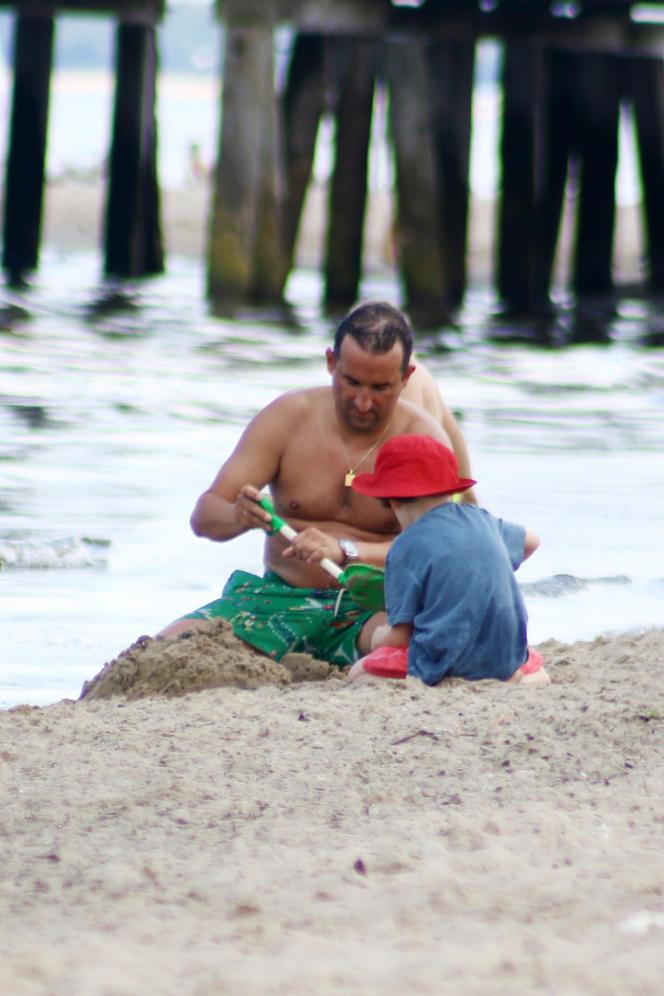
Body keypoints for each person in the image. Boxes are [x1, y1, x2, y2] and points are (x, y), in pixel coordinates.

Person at [158, 300, 475, 667]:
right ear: (331, 363)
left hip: (374, 609)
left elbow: (441, 548)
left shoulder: (423, 439)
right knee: (159, 652)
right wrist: (238, 516)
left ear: (406, 378)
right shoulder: (289, 417)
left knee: (415, 647)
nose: (362, 401)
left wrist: (346, 551)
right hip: (278, 600)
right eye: (351, 381)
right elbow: (204, 518)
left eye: (381, 387)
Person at [347, 435, 550, 686]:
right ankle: (519, 680)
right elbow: (531, 541)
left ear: (392, 500)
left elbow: (399, 638)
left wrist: (379, 638)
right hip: (505, 656)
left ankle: (454, 676)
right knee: (535, 668)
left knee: (359, 672)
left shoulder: (404, 547)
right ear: (451, 490)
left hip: (445, 662)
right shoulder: (481, 519)